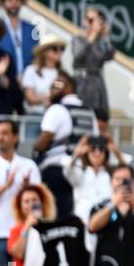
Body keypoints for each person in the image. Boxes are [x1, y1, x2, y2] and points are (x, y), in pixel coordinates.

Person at [32, 72, 95, 218]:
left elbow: (42, 143)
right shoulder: (89, 112)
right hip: (82, 170)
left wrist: (36, 146)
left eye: (57, 85)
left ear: (68, 87)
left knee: (54, 216)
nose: (52, 89)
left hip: (57, 169)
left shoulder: (56, 110)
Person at [0, 120, 41, 266]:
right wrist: (6, 186)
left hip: (23, 236)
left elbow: (38, 203)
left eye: (4, 132)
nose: (0, 137)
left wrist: (26, 189)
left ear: (15, 136)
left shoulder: (29, 166)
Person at [71, 7, 114, 131]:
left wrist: (106, 37)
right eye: (90, 20)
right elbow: (78, 55)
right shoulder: (78, 39)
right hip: (81, 83)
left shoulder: (100, 43)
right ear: (84, 22)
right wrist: (92, 36)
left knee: (99, 118)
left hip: (97, 84)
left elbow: (110, 55)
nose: (93, 24)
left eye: (96, 20)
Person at [0, 0, 37, 77]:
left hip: (27, 84)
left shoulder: (31, 29)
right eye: (10, 0)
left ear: (21, 2)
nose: (14, 4)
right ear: (3, 3)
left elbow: (36, 57)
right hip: (4, 83)